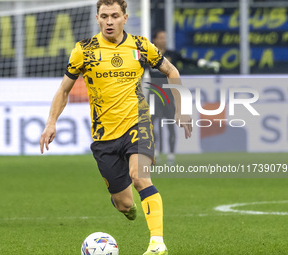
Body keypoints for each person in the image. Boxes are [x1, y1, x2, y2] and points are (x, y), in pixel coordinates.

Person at [39, 1, 192, 254]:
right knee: (124, 204)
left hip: (137, 123)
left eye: (115, 16)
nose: (109, 21)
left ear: (125, 18)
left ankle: (157, 244)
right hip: (104, 136)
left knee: (140, 177)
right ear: (97, 19)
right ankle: (126, 206)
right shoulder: (83, 51)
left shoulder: (141, 46)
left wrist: (181, 107)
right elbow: (64, 90)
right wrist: (51, 122)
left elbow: (171, 71)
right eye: (104, 16)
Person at [149, 29, 220, 164]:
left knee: (171, 125)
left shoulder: (172, 55)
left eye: (165, 38)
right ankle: (155, 153)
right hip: (154, 95)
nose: (164, 40)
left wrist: (206, 64)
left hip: (169, 96)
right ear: (155, 40)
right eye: (161, 37)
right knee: (152, 125)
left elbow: (188, 61)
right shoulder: (149, 55)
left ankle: (170, 156)